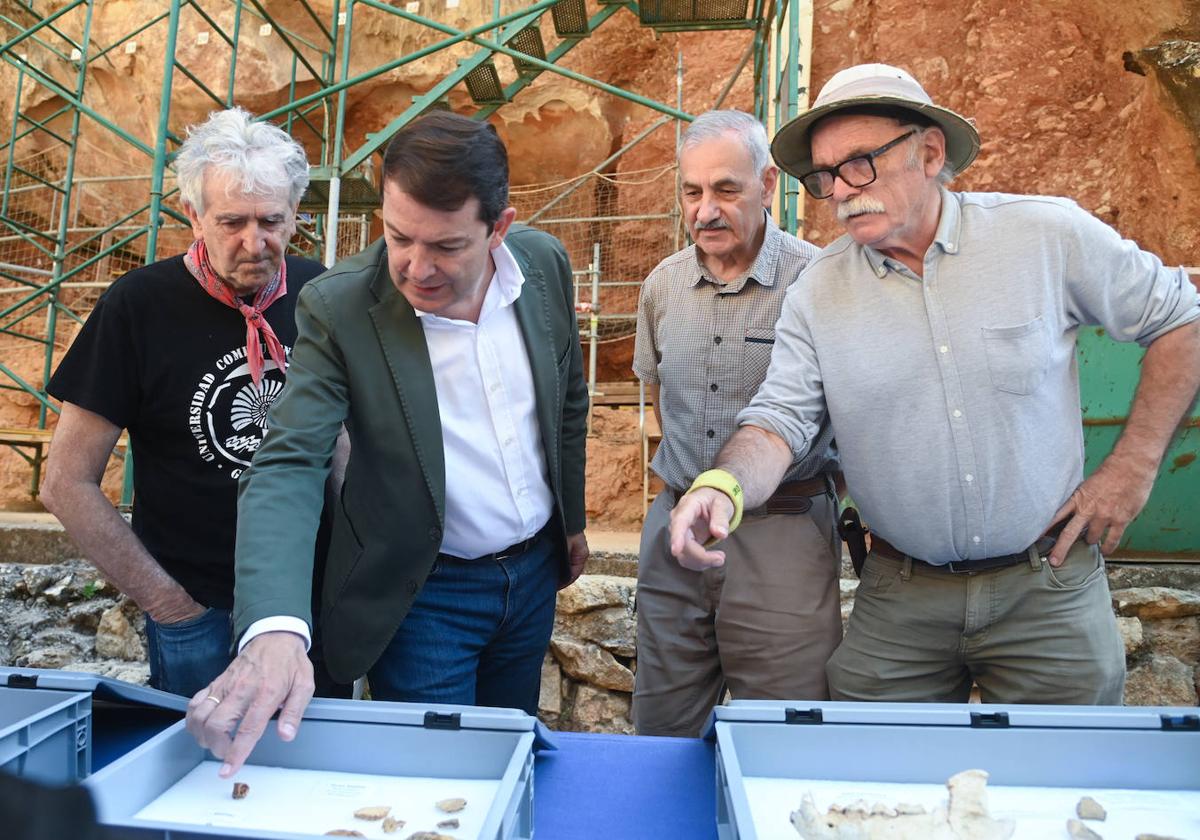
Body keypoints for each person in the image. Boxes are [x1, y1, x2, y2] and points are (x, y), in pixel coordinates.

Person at [670, 63, 1200, 705]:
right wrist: (722, 486)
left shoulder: (1045, 236)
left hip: (1049, 589)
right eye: (825, 175)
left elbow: (1182, 319)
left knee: (1064, 788)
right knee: (874, 792)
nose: (839, 189)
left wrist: (1133, 468)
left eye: (859, 162)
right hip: (899, 600)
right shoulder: (818, 292)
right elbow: (779, 420)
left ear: (928, 151)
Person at [186, 111, 589, 775]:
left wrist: (569, 521)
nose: (415, 267)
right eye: (399, 236)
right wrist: (277, 626)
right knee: (440, 781)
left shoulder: (543, 264)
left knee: (513, 760)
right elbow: (289, 461)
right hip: (424, 594)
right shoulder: (340, 306)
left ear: (500, 229)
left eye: (447, 247)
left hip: (532, 581)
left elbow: (566, 398)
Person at [40, 108, 344, 699]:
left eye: (272, 221)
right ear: (192, 215)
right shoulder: (137, 307)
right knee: (201, 778)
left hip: (310, 606)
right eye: (231, 221)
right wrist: (168, 605)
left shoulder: (321, 293)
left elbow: (344, 446)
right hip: (195, 613)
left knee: (315, 774)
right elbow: (65, 482)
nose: (254, 244)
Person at [631, 110, 840, 737]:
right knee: (662, 730)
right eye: (692, 192)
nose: (705, 211)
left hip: (784, 534)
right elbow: (662, 401)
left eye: (726, 189)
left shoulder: (818, 281)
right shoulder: (662, 287)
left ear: (768, 184)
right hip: (673, 532)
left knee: (782, 733)